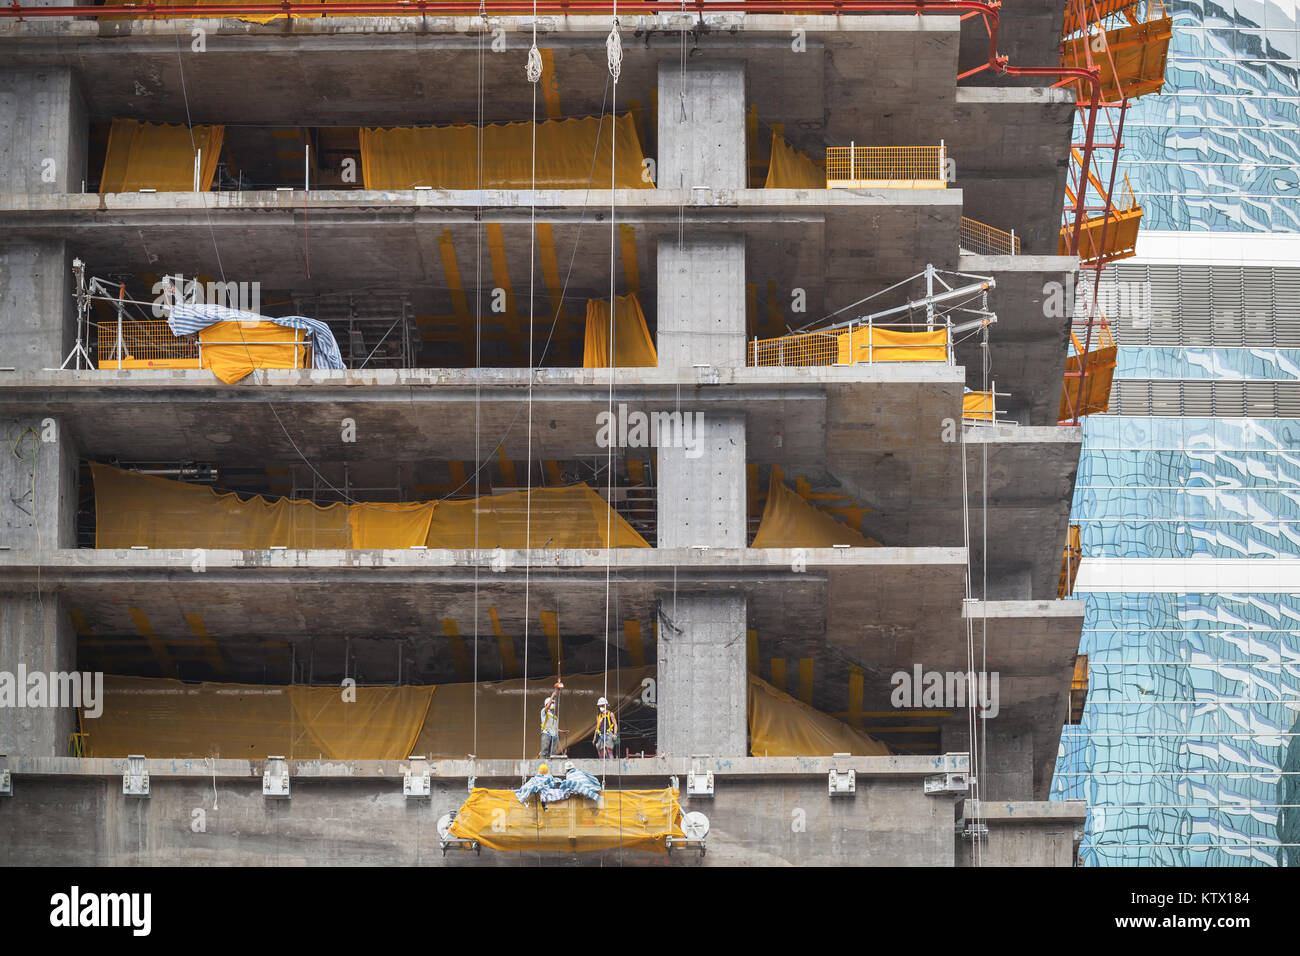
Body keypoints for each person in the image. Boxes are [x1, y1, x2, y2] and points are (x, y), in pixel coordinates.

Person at [539, 689, 560, 759]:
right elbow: (547, 707)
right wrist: (552, 696)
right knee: (544, 750)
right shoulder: (544, 712)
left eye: (553, 703)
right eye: (551, 703)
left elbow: (553, 727)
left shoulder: (554, 717)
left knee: (553, 753)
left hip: (554, 735)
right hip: (546, 734)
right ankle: (542, 765)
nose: (553, 704)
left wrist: (562, 731)